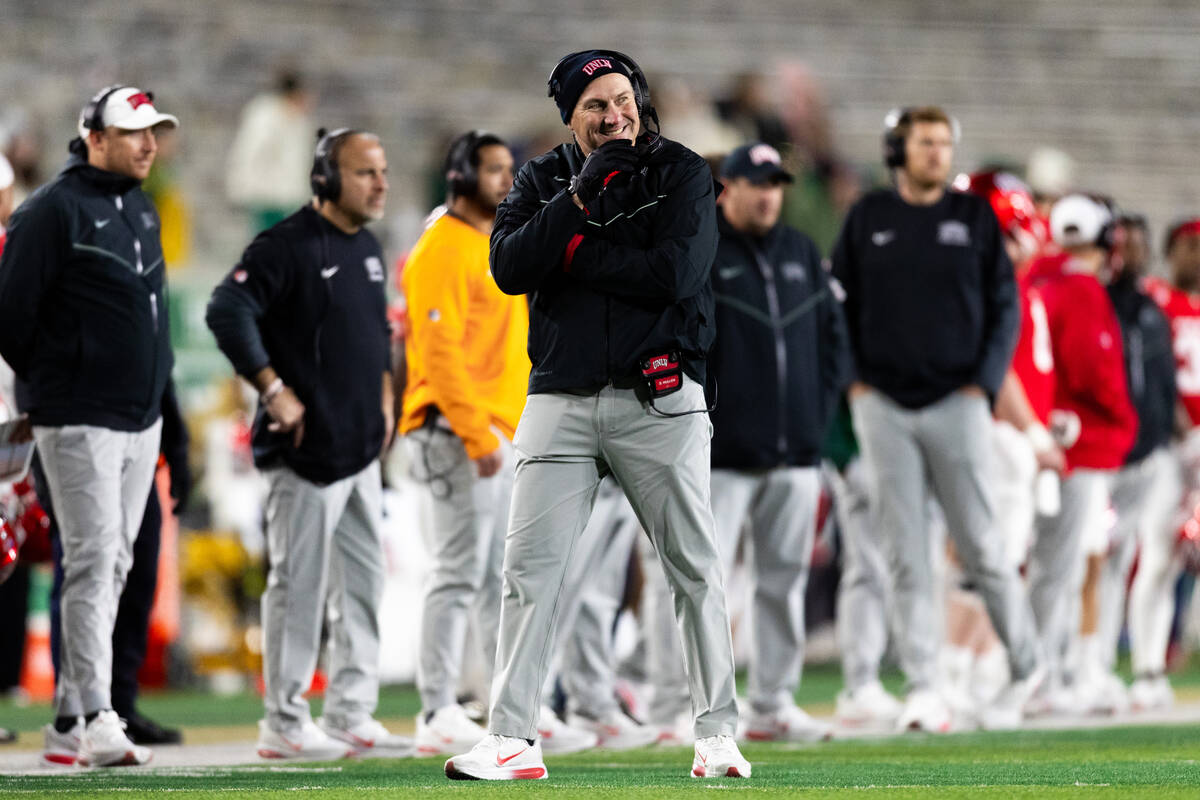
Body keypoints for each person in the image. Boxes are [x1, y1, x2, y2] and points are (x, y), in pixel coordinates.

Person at [444, 49, 750, 781]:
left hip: (661, 395)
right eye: (595, 106)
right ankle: (514, 737)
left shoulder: (681, 171)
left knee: (693, 567)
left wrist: (573, 253)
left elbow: (676, 275)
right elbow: (510, 268)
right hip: (559, 396)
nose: (614, 115)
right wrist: (576, 206)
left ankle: (715, 734)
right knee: (528, 572)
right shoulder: (544, 178)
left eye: (622, 99)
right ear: (570, 117)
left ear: (639, 98)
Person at [831, 106, 1043, 733]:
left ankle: (1028, 666)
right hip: (884, 406)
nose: (936, 153)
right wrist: (855, 385)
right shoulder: (868, 217)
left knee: (981, 544)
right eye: (925, 143)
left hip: (958, 400)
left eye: (944, 143)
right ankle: (925, 684)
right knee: (905, 552)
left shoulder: (973, 217)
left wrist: (982, 383)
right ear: (899, 149)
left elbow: (1005, 307)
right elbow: (838, 306)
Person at [206, 127, 411, 760]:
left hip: (358, 451)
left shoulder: (369, 245)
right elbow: (225, 309)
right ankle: (285, 719)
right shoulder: (285, 246)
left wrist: (382, 400)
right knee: (298, 587)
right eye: (364, 173)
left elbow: (374, 333)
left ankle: (351, 713)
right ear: (325, 179)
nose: (381, 183)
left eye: (382, 170)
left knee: (363, 588)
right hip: (304, 454)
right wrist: (272, 389)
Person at [0, 85, 179, 767]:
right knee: (95, 559)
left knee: (117, 562)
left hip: (138, 417)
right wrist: (63, 381)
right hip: (77, 416)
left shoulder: (141, 207)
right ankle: (97, 715)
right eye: (133, 132)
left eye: (153, 131)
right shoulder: (50, 211)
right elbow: (10, 318)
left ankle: (71, 721)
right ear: (93, 138)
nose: (148, 144)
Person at [647, 141, 849, 742]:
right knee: (691, 579)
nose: (768, 194)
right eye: (755, 183)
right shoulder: (700, 251)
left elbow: (832, 344)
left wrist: (815, 419)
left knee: (783, 583)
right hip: (721, 453)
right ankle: (668, 708)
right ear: (725, 189)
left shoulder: (801, 252)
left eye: (775, 184)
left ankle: (773, 703)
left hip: (794, 453)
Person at [398, 131, 533, 754]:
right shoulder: (443, 247)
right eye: (493, 170)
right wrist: (478, 433)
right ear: (459, 176)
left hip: (491, 429)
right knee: (457, 572)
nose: (507, 181)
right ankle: (435, 709)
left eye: (510, 169)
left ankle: (501, 702)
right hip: (458, 430)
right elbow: (439, 351)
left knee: (489, 577)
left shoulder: (488, 245)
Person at [1022, 194, 1138, 713]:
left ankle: (1043, 672)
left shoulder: (1035, 279)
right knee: (1061, 566)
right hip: (1078, 444)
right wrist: (1124, 419)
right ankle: (1040, 677)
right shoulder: (1082, 289)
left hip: (1036, 435)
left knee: (1043, 562)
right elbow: (1096, 370)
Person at [37, 379, 190, 751]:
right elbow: (19, 329)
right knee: (88, 568)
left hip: (138, 425)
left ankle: (114, 703)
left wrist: (178, 444)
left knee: (128, 571)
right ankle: (81, 713)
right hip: (80, 418)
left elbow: (157, 358)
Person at [1090, 213, 1177, 713]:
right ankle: (1083, 663)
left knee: (1123, 561)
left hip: (1147, 452)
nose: (1135, 254)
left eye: (1142, 245)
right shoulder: (1099, 301)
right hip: (1103, 452)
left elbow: (1161, 381)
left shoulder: (1149, 308)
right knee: (1092, 560)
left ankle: (1102, 665)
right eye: (1128, 244)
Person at [1138, 216, 1200, 709]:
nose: (1197, 255)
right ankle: (1146, 667)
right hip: (1165, 445)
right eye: (1189, 246)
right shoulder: (1154, 302)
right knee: (1157, 556)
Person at [226, 70, 316, 233]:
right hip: (268, 196)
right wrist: (242, 184)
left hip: (288, 197)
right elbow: (250, 153)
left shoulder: (297, 121)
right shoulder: (265, 117)